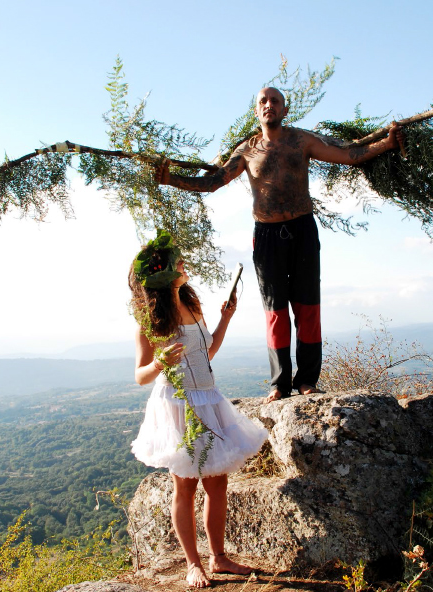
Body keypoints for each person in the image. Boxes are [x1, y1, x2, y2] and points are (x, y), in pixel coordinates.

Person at [157, 87, 404, 403]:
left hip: (302, 230)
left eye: (275, 100)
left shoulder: (301, 140)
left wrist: (387, 143)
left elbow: (348, 155)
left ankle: (307, 380)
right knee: (275, 311)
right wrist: (171, 179)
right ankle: (279, 383)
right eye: (263, 101)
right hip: (267, 236)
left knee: (307, 307)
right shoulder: (247, 150)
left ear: (285, 110)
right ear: (256, 112)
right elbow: (213, 182)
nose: (269, 104)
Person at [128, 231, 268, 588]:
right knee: (186, 487)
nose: (184, 265)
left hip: (209, 398)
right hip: (178, 405)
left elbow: (207, 353)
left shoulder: (193, 305)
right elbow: (140, 376)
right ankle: (193, 564)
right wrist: (159, 362)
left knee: (218, 483)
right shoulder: (150, 320)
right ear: (163, 274)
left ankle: (218, 558)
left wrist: (225, 319)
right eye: (178, 263)